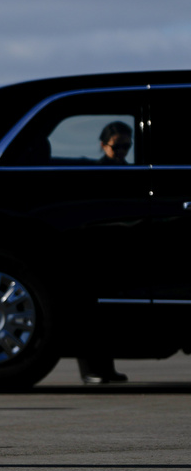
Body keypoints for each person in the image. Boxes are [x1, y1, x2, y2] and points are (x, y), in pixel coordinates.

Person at [76, 120, 134, 384]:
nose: (122, 150)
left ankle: (106, 368)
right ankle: (91, 369)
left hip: (119, 245)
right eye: (117, 145)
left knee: (109, 311)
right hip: (98, 244)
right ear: (104, 145)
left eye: (126, 145)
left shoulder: (130, 172)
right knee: (91, 309)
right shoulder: (97, 172)